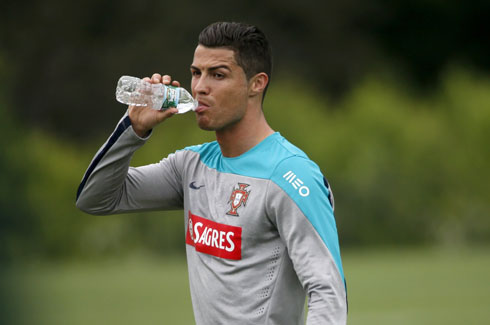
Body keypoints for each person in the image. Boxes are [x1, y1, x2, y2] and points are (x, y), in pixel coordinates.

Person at [76, 21, 347, 324]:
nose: (200, 87)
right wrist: (133, 129)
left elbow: (327, 290)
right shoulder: (190, 165)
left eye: (218, 75)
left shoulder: (290, 175)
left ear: (256, 84)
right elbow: (95, 199)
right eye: (196, 73)